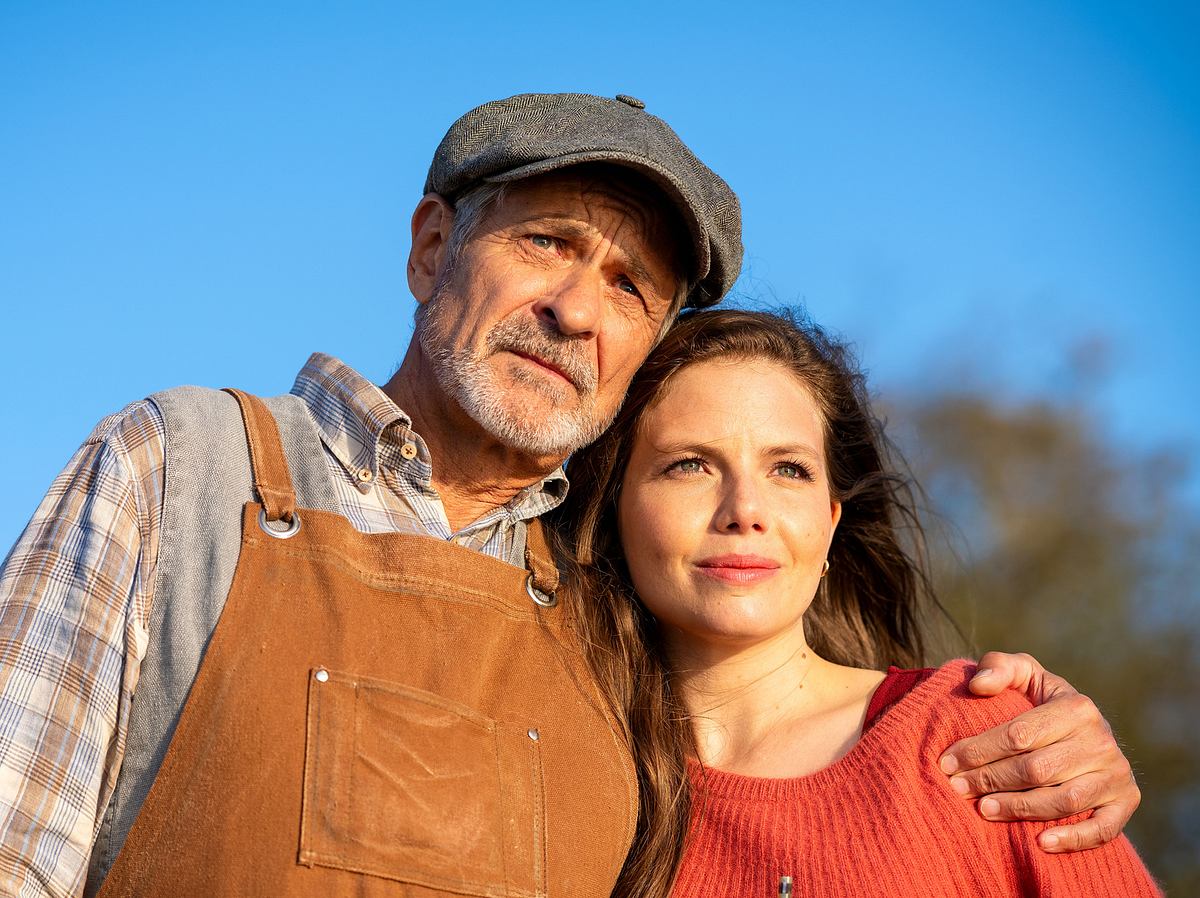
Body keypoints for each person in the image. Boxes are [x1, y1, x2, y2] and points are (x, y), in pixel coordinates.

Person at [0, 93, 1138, 897]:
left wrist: (1047, 735)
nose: (577, 311)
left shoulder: (609, 621)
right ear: (431, 246)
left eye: (632, 286)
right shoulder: (184, 468)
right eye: (547, 242)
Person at [551, 308, 1161, 897]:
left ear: (830, 523)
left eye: (788, 470)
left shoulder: (980, 742)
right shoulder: (554, 776)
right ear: (614, 509)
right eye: (690, 465)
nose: (745, 512)